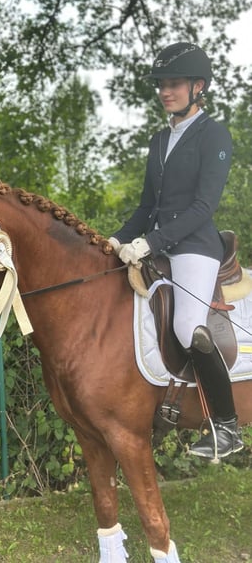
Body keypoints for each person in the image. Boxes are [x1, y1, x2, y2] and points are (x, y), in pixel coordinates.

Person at [108, 42, 244, 460]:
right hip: (156, 246)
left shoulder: (214, 134)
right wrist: (115, 239)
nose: (165, 92)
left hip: (195, 248)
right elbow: (147, 206)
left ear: (198, 87)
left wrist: (151, 242)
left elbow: (203, 207)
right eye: (161, 85)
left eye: (174, 84)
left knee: (187, 326)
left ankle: (226, 427)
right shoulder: (159, 140)